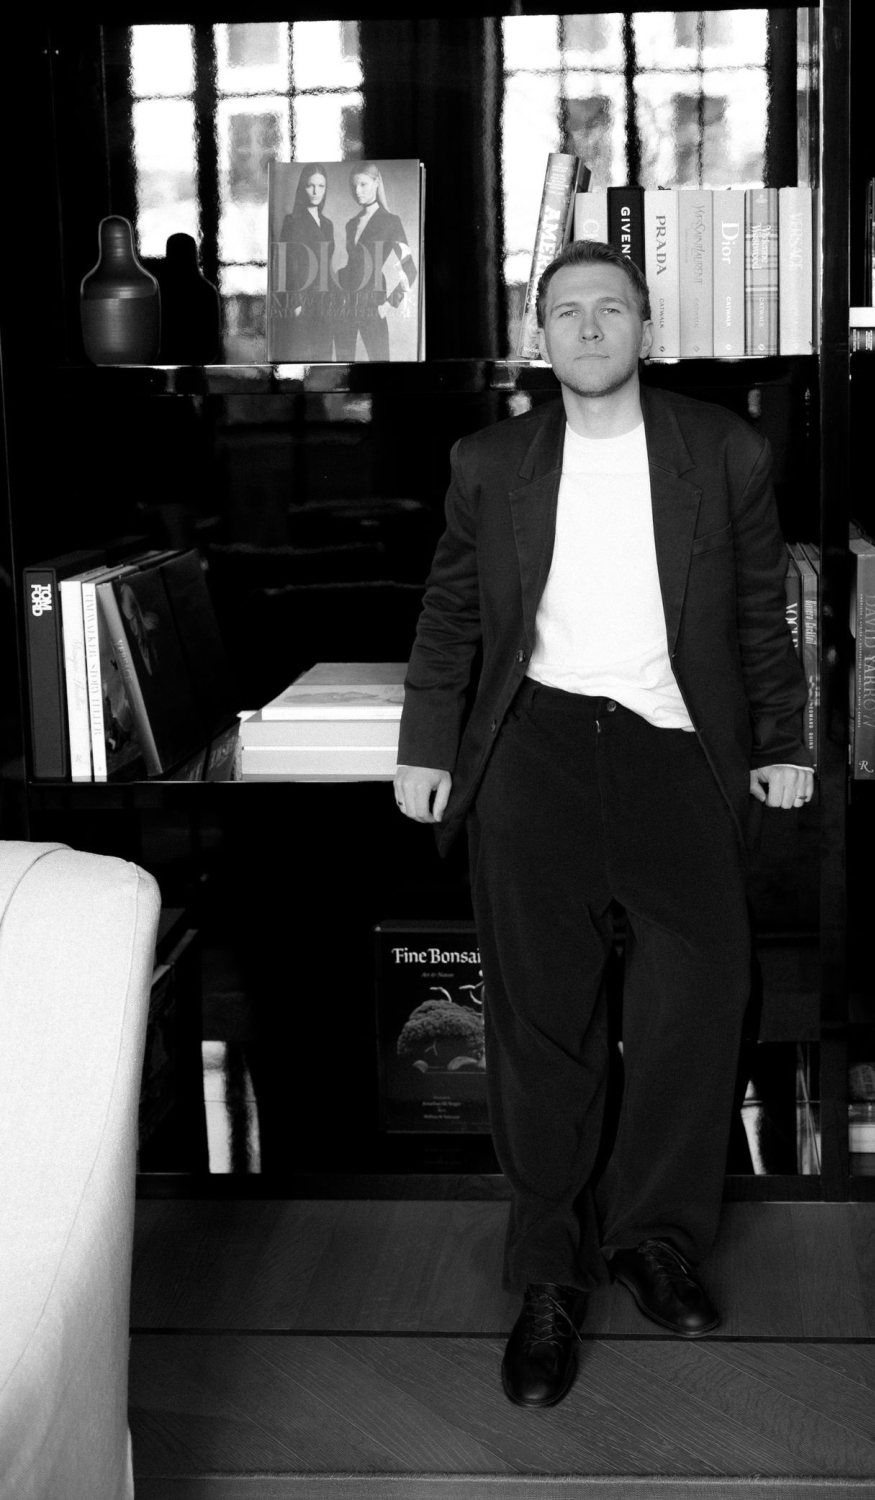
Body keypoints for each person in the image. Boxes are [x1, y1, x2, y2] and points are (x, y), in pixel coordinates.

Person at [393, 238, 813, 1409]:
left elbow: (761, 614)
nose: (588, 328)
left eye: (611, 309)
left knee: (695, 1010)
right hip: (535, 754)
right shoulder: (491, 462)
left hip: (678, 752)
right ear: (540, 338)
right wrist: (427, 745)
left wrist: (781, 745)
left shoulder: (722, 451)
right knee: (541, 1024)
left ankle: (653, 1239)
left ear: (646, 328)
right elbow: (451, 611)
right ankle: (548, 1273)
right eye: (567, 311)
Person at [333, 162, 417, 362]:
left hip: (373, 303)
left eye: (363, 184)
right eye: (354, 186)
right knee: (343, 366)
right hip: (344, 303)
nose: (357, 191)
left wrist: (389, 303)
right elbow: (353, 264)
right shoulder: (351, 224)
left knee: (381, 364)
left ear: (377, 182)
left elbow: (410, 270)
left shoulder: (391, 222)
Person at [273, 165, 335, 361]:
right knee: (300, 357)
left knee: (324, 358)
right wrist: (295, 301)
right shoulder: (292, 221)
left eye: (321, 186)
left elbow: (328, 265)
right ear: (303, 188)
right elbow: (287, 263)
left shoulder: (327, 224)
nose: (316, 191)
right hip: (301, 300)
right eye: (310, 186)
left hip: (325, 302)